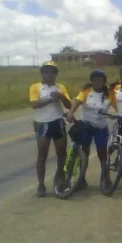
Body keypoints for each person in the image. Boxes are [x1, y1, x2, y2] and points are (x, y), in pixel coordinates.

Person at [29, 61, 72, 197]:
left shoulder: (61, 87)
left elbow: (69, 105)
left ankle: (61, 180)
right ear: (42, 73)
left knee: (62, 155)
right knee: (42, 156)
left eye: (52, 72)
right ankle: (41, 185)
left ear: (56, 74)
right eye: (46, 72)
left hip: (58, 122)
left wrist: (61, 97)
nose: (49, 74)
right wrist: (52, 99)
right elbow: (34, 104)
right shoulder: (35, 87)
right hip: (42, 124)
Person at [66, 69, 111, 189]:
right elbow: (77, 102)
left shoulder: (109, 93)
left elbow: (118, 106)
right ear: (91, 81)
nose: (97, 82)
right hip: (86, 126)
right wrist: (70, 112)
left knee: (102, 153)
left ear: (104, 81)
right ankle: (82, 179)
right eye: (95, 80)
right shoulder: (86, 91)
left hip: (100, 128)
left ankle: (105, 178)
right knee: (84, 153)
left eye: (100, 80)